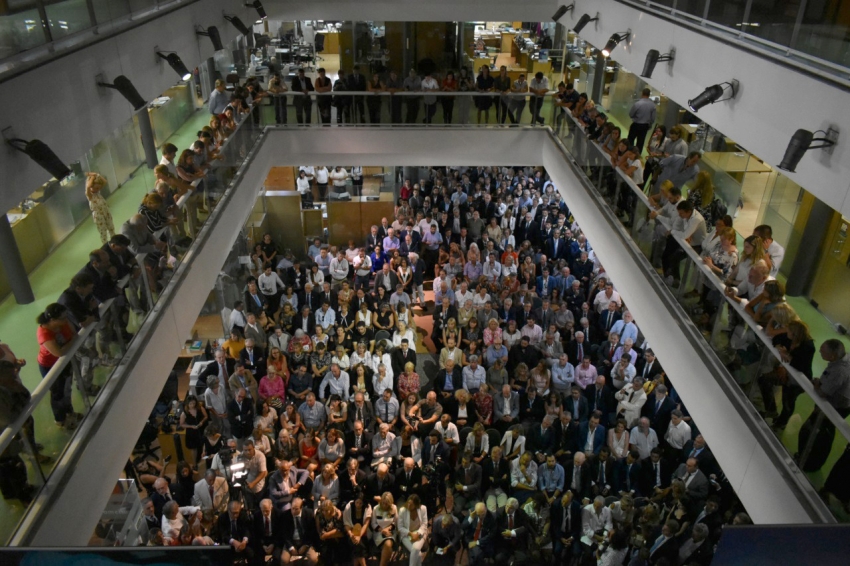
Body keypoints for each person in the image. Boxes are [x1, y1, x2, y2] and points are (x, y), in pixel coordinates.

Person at [36, 304, 79, 430]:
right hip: (49, 366)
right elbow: (59, 352)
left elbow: (73, 333)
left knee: (67, 388)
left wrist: (69, 343)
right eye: (62, 318)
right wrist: (71, 342)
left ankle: (69, 412)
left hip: (64, 362)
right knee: (57, 393)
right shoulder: (44, 334)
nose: (66, 320)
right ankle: (60, 419)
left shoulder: (62, 323)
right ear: (52, 320)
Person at [398, 494, 428, 566]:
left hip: (420, 533)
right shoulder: (402, 510)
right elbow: (400, 527)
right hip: (406, 535)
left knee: (416, 548)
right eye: (408, 503)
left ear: (416, 505)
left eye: (411, 504)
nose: (409, 506)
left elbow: (424, 524)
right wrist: (411, 534)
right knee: (418, 553)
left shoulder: (423, 509)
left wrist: (417, 534)